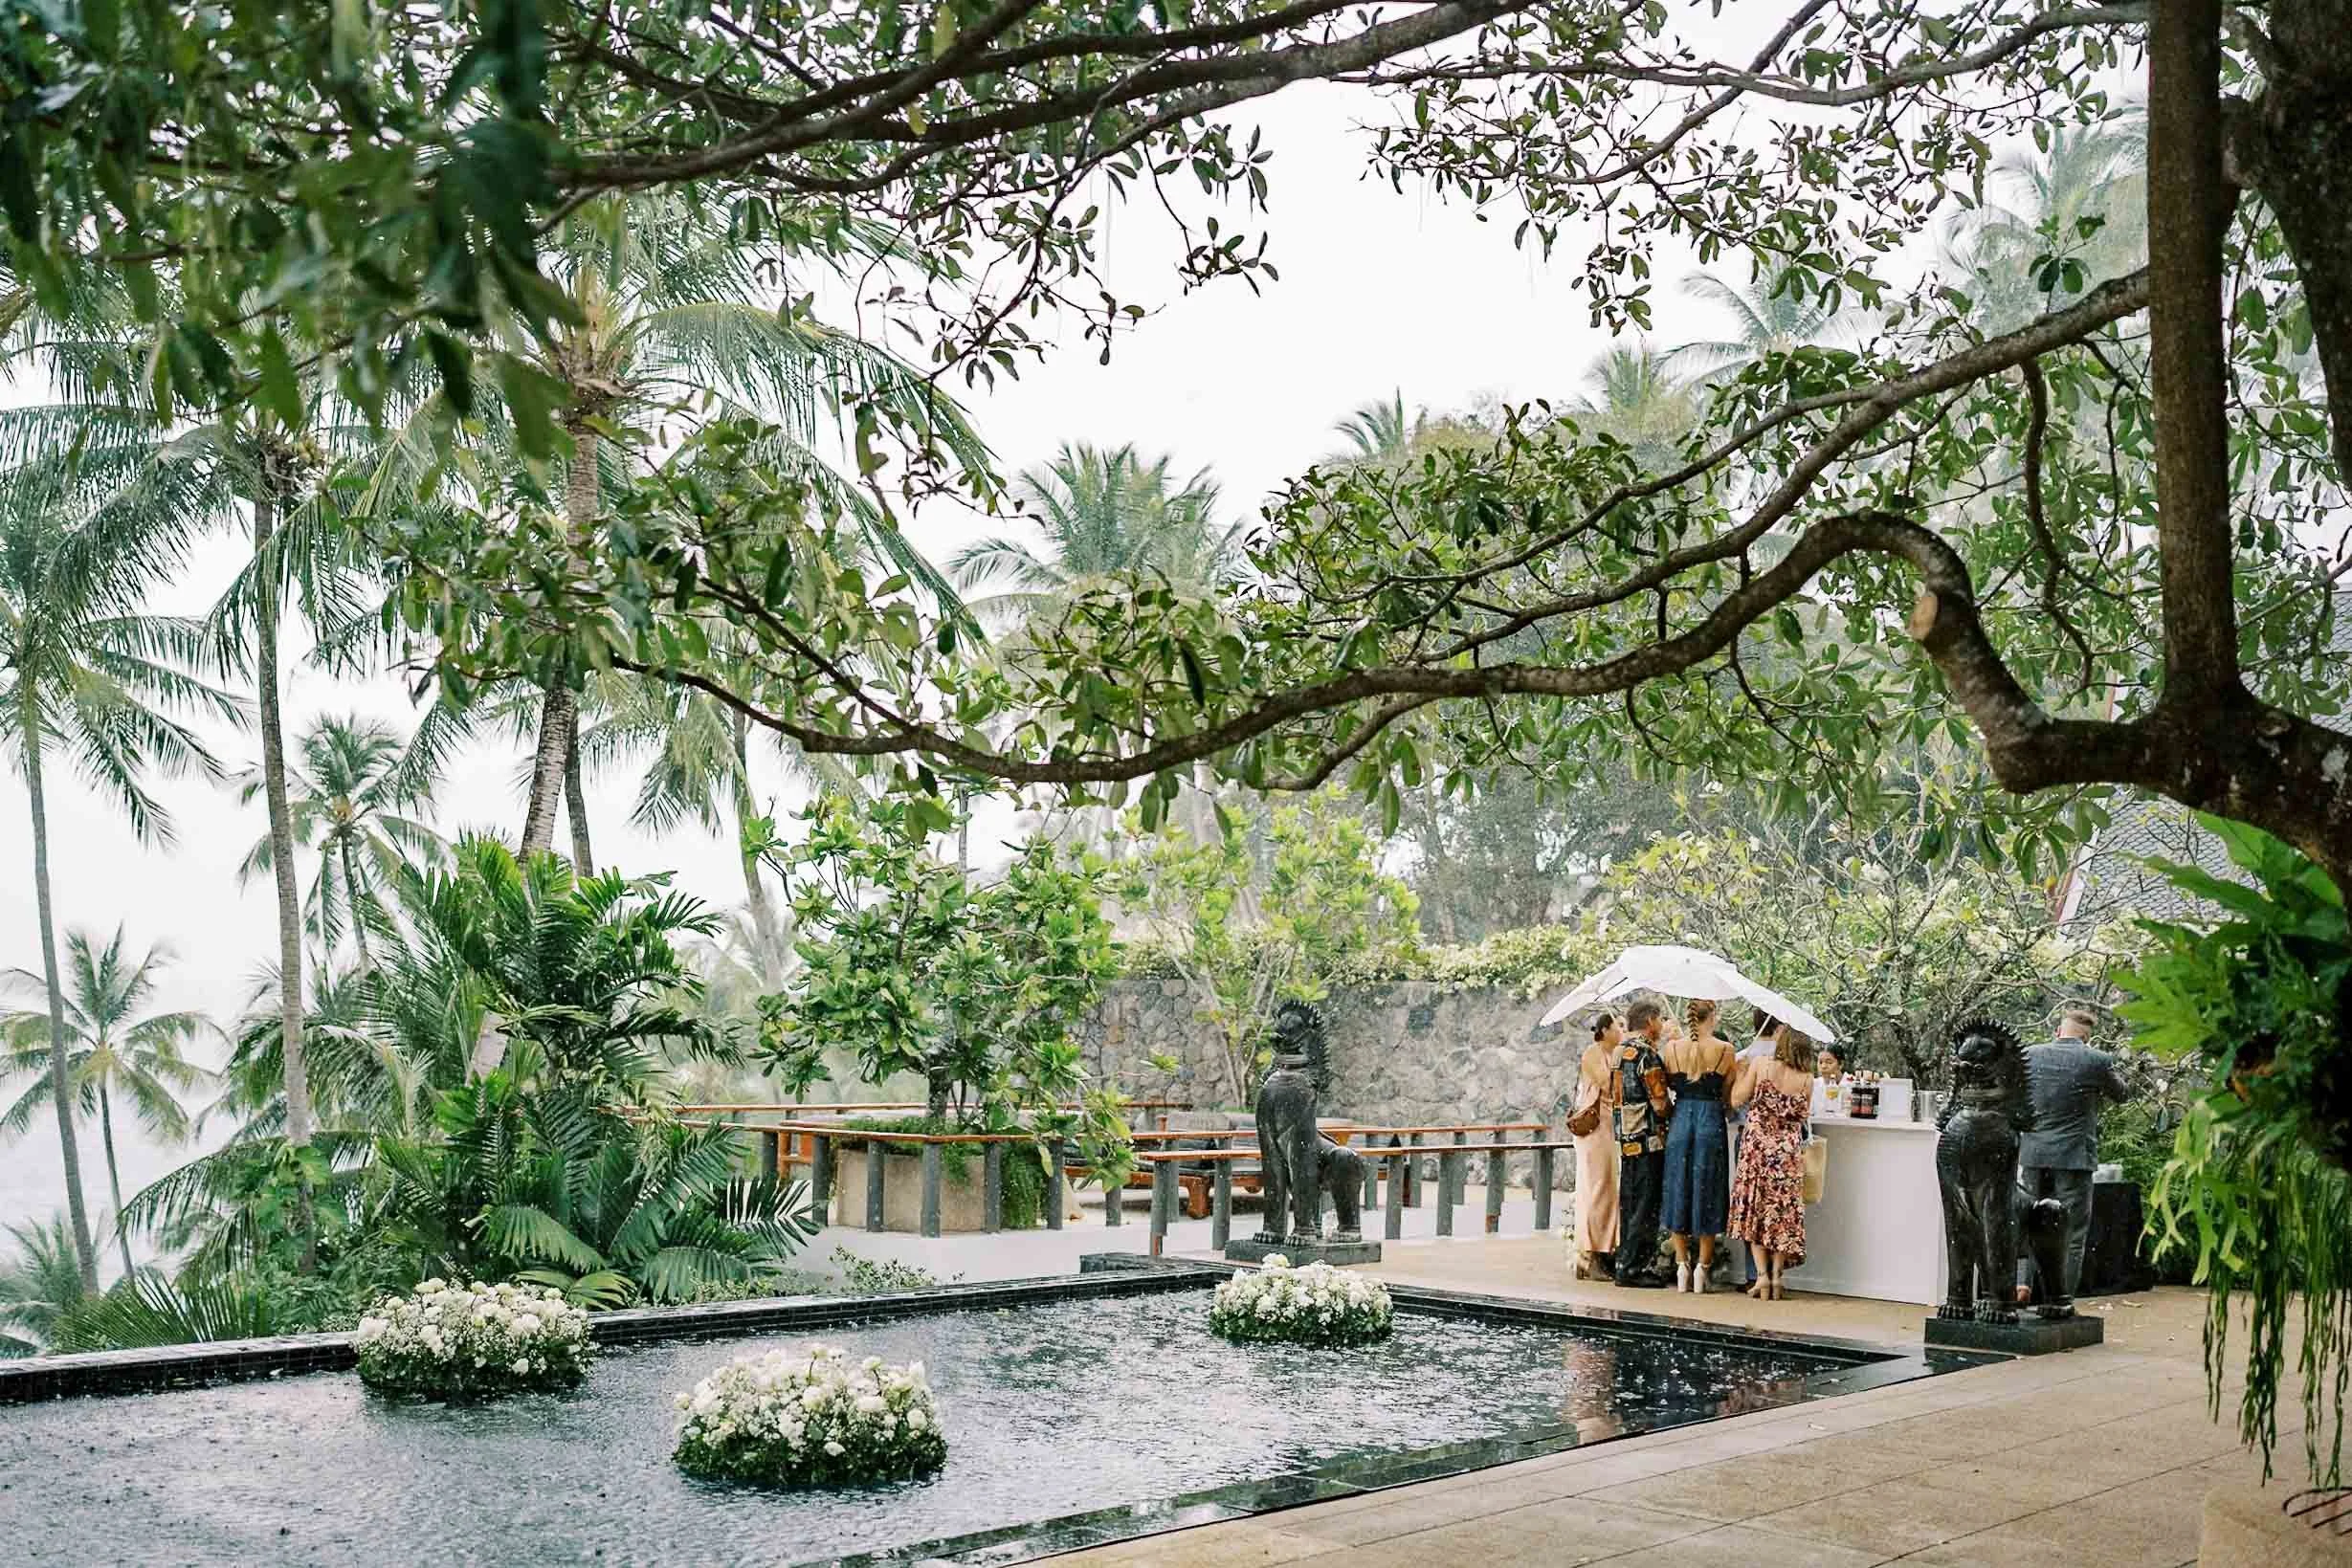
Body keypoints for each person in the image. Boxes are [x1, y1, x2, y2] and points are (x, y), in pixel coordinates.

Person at [2015, 1006, 2132, 1304]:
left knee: (2027, 1220)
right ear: (2086, 1038)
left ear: (2058, 1031)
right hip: (2073, 1156)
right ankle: (2060, 1299)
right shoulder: (2096, 1061)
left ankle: (2021, 1286)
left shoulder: (2029, 1055)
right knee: (2072, 1232)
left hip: (2033, 1152)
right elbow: (2122, 1095)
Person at [1730, 1024, 1814, 1300]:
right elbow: (1801, 1118)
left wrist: (1741, 1072)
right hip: (1787, 1155)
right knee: (1781, 1215)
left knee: (1754, 1212)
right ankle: (1777, 1277)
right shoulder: (1807, 1080)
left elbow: (1735, 1099)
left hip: (1756, 1150)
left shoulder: (1761, 1065)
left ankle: (1762, 1277)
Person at [1659, 998, 1737, 1292]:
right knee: (1709, 1188)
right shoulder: (1725, 1051)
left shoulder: (1672, 1049)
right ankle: (1703, 1270)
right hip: (1709, 1121)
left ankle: (1682, 1266)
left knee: (1678, 1186)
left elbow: (1666, 1086)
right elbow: (1729, 1098)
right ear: (1712, 1017)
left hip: (1681, 1121)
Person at [1608, 999, 1675, 1288]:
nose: (1660, 1026)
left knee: (1630, 1203)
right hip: (1648, 1140)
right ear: (1649, 1021)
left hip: (1625, 1138)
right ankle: (1634, 1269)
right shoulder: (1647, 1055)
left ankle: (1625, 1262)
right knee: (1646, 1206)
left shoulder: (1619, 1052)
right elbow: (1659, 1104)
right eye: (1659, 1020)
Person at [1724, 1011, 1782, 1291]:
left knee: (1751, 1205)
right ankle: (1776, 1272)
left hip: (1748, 1136)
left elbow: (1734, 1101)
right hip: (1783, 1143)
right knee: (1778, 1206)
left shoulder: (1744, 1057)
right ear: (1781, 1026)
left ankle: (1754, 1273)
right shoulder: (1790, 1059)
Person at [1566, 1013, 1621, 1280]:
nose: (1622, 1030)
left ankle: (1601, 1251)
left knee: (1608, 1190)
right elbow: (1606, 1083)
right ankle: (1590, 1254)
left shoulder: (1615, 1053)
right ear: (1605, 1030)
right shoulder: (1593, 1053)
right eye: (1618, 1026)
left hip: (1609, 1128)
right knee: (1596, 1189)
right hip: (1595, 1128)